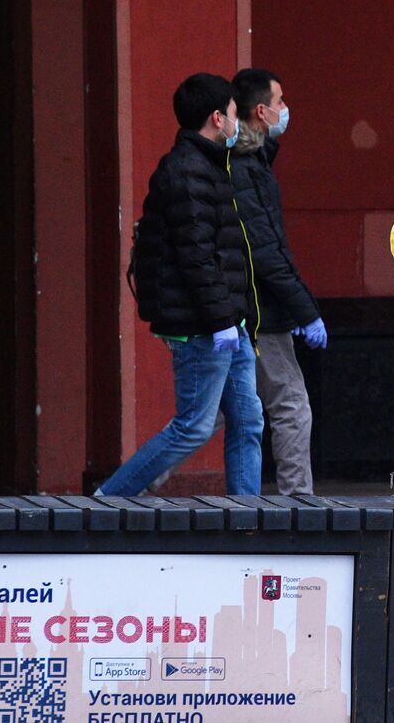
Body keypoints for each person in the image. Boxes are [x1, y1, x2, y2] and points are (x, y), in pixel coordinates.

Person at [99, 73, 264, 496]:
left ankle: (249, 515)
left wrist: (233, 320)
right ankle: (108, 500)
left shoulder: (206, 165)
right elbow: (197, 256)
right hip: (204, 325)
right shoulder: (187, 171)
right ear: (216, 118)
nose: (236, 122)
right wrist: (222, 320)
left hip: (227, 321)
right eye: (232, 113)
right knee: (193, 426)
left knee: (247, 420)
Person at [229, 68, 325, 495]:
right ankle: (298, 506)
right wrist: (306, 311)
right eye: (281, 101)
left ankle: (121, 491)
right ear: (261, 111)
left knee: (205, 417)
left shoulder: (253, 163)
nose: (287, 110)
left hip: (247, 309)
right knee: (290, 405)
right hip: (259, 313)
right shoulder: (245, 167)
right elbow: (266, 251)